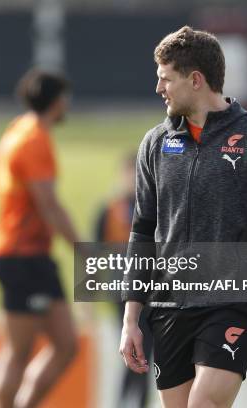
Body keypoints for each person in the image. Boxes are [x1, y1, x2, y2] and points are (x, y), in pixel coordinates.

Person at [119, 26, 247, 408]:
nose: (158, 88)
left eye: (165, 79)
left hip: (230, 305)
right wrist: (131, 318)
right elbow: (142, 231)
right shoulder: (155, 144)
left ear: (195, 80)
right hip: (167, 310)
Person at [0, 69, 79, 408]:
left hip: (32, 256)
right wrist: (83, 252)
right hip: (20, 256)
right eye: (65, 99)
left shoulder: (18, 129)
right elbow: (49, 205)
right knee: (19, 352)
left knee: (67, 344)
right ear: (57, 102)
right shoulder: (34, 140)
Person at [94, 153, 152, 408]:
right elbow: (94, 253)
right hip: (120, 289)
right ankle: (124, 402)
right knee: (134, 350)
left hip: (151, 290)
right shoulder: (109, 210)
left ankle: (133, 403)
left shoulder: (154, 208)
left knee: (145, 351)